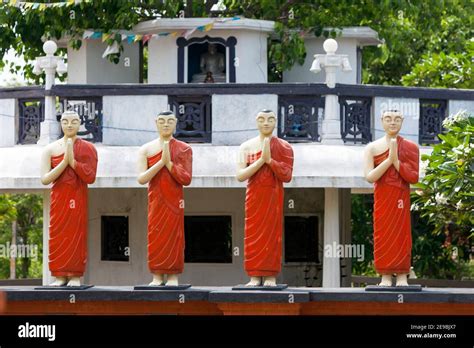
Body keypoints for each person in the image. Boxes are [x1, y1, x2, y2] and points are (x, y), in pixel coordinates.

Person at [236, 109, 294, 287]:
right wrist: (262, 160)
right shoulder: (246, 147)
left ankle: (270, 275)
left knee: (272, 235)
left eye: (270, 119)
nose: (266, 123)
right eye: (261, 119)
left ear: (275, 121)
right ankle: (254, 275)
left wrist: (271, 161)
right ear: (256, 122)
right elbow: (240, 175)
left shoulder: (284, 147)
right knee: (252, 234)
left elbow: (287, 175)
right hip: (254, 197)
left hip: (273, 197)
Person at [40, 110, 98, 287]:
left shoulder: (88, 148)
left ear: (79, 123)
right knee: (58, 234)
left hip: (77, 198)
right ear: (60, 124)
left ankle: (74, 275)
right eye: (65, 121)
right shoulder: (50, 149)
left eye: (74, 121)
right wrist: (65, 161)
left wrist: (73, 162)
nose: (69, 125)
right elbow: (45, 179)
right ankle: (59, 275)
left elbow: (90, 177)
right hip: (59, 199)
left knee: (76, 234)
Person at [363, 110, 419, 286]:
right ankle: (385, 275)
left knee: (402, 235)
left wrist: (397, 162)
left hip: (400, 197)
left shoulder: (410, 147)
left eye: (396, 119)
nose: (392, 123)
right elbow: (370, 177)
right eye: (388, 119)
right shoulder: (372, 147)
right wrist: (389, 160)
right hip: (383, 197)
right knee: (382, 234)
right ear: (381, 121)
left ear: (402, 121)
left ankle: (403, 275)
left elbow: (413, 177)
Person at [137, 111, 193, 286]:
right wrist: (161, 162)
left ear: (175, 123)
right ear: (156, 123)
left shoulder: (184, 148)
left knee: (175, 236)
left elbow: (186, 179)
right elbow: (142, 179)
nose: (166, 124)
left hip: (174, 201)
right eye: (162, 121)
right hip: (156, 201)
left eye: (170, 121)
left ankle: (173, 275)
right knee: (156, 235)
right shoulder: (146, 149)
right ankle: (157, 275)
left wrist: (169, 164)